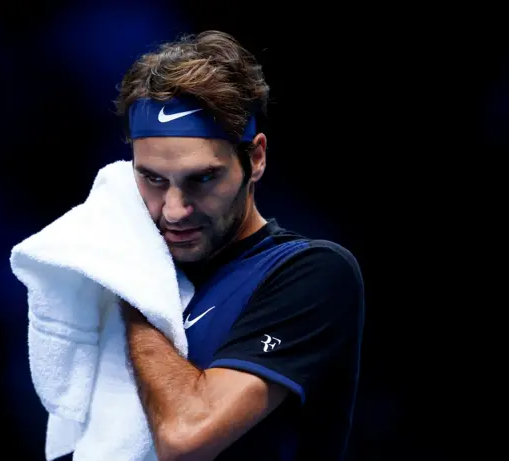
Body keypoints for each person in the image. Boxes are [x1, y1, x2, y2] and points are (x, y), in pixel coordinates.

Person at [114, 31, 364, 461]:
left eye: (202, 178)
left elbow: (185, 437)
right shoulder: (117, 257)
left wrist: (131, 297)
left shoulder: (313, 273)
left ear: (256, 158)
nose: (174, 211)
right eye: (153, 178)